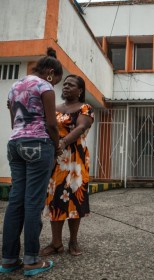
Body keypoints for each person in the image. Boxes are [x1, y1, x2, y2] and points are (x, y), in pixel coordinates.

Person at [0, 48, 63, 277]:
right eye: (56, 79)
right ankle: (31, 261)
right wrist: (56, 145)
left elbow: (13, 121)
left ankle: (8, 260)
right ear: (50, 72)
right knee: (33, 203)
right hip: (38, 144)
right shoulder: (44, 87)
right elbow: (52, 124)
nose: (55, 84)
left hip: (15, 144)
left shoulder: (13, 88)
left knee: (16, 201)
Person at [41, 74, 94, 257]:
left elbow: (80, 128)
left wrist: (62, 143)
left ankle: (73, 241)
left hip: (76, 162)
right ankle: (56, 243)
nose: (66, 86)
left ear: (80, 91)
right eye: (64, 84)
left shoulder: (85, 108)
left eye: (71, 85)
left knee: (75, 200)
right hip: (55, 161)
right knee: (56, 200)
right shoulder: (54, 108)